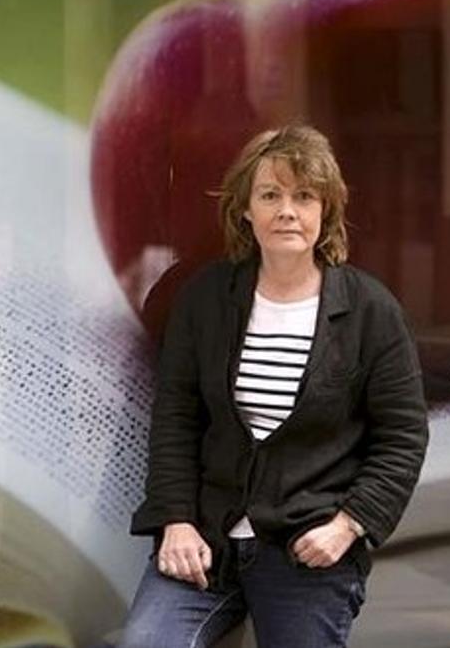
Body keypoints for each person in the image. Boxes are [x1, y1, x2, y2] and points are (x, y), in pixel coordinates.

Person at [118, 125, 429, 647]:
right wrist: (175, 521)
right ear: (246, 209)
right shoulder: (207, 299)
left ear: (324, 210)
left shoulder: (370, 311)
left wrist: (348, 526)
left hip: (307, 551)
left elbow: (403, 436)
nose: (287, 210)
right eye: (270, 195)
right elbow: (176, 418)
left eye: (304, 196)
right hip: (205, 545)